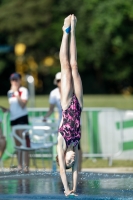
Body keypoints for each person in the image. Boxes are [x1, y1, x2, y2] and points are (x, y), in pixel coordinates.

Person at [56, 14, 83, 197]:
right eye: (72, 162)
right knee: (74, 65)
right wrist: (74, 189)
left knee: (65, 66)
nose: (71, 160)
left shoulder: (62, 143)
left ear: (63, 158)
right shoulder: (76, 143)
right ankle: (73, 30)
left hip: (67, 104)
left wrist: (66, 189)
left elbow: (63, 171)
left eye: (69, 161)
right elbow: (74, 170)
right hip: (79, 105)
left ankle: (65, 32)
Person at [43, 71, 82, 171]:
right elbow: (51, 109)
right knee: (71, 148)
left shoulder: (70, 88)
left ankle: (78, 168)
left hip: (73, 122)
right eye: (59, 80)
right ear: (57, 82)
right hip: (64, 123)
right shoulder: (54, 93)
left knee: (77, 148)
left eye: (62, 79)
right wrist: (46, 117)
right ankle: (73, 166)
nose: (61, 82)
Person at [1, 73, 30, 172]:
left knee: (24, 143)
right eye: (12, 80)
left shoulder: (23, 90)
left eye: (16, 79)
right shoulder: (9, 92)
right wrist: (6, 110)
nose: (14, 82)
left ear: (19, 80)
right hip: (13, 119)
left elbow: (22, 105)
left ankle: (26, 167)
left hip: (22, 118)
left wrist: (16, 93)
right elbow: (13, 107)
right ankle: (19, 166)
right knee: (18, 144)